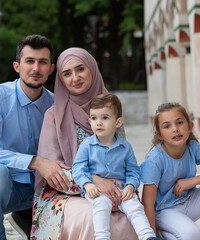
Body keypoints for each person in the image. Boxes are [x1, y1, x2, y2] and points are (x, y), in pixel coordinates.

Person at [31, 47, 141, 240]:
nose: (75, 78)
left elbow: (121, 158)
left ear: (92, 68)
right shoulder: (54, 116)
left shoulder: (111, 109)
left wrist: (119, 188)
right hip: (63, 192)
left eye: (80, 69)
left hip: (112, 187)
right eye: (67, 73)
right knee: (91, 217)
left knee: (132, 214)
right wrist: (93, 182)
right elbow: (53, 173)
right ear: (61, 79)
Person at [0, 35, 67, 240]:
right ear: (17, 66)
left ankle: (27, 216)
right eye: (29, 61)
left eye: (43, 62)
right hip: (0, 190)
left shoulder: (56, 104)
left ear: (51, 69)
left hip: (39, 190)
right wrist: (35, 162)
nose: (36, 68)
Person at [140, 102, 200, 240]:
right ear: (159, 135)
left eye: (179, 123)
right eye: (167, 126)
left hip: (190, 203)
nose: (175, 129)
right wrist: (151, 236)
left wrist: (191, 181)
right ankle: (161, 234)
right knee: (192, 234)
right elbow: (147, 204)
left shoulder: (192, 147)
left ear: (190, 126)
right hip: (164, 212)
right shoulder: (154, 160)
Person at [72, 93, 160, 240]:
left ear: (118, 122)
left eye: (105, 118)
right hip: (96, 190)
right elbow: (78, 168)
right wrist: (87, 184)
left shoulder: (125, 147)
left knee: (135, 207)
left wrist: (130, 186)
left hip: (121, 190)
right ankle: (102, 237)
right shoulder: (87, 145)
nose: (98, 123)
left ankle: (147, 236)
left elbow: (133, 170)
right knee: (101, 205)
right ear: (90, 121)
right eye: (94, 118)